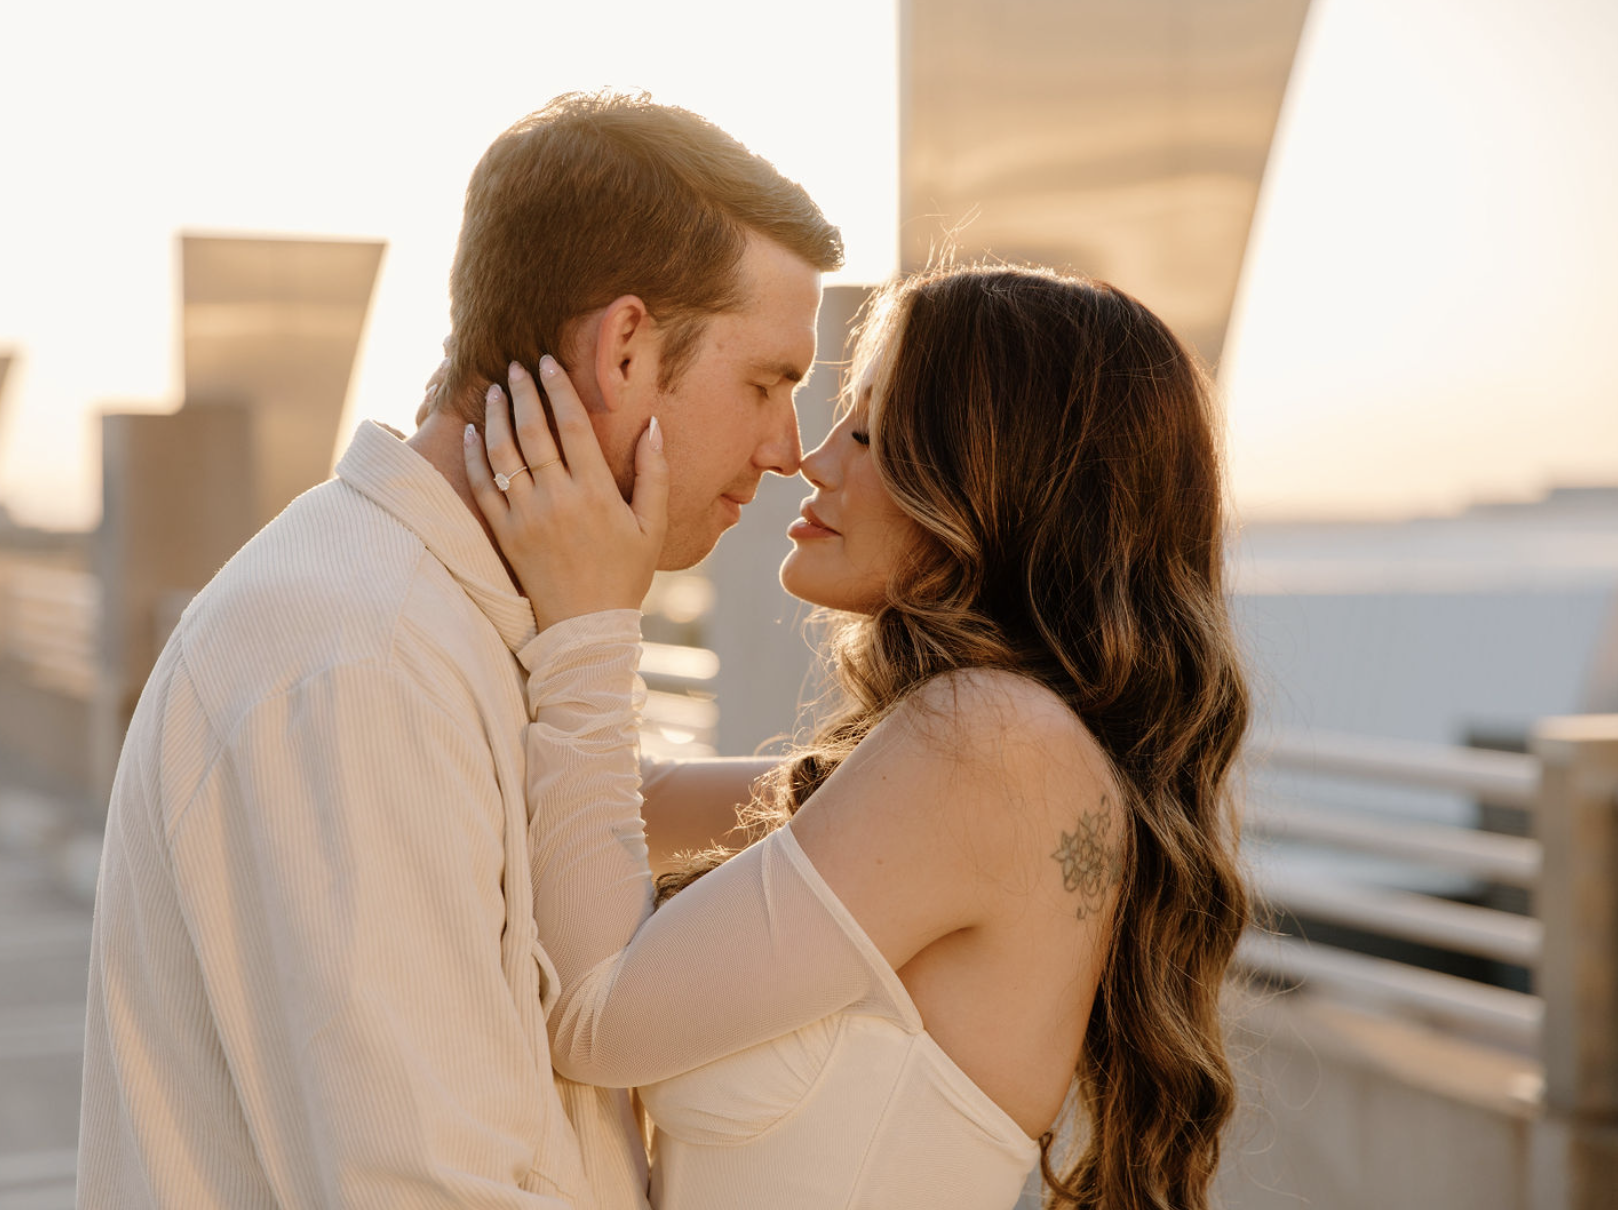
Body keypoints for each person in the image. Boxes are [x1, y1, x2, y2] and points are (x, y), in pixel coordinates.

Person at [76, 90, 842, 1208]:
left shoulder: (452, 620)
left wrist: (882, 797)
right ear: (626, 348)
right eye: (768, 381)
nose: (789, 447)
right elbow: (428, 1187)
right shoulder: (359, 659)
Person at [465, 262, 1253, 1209]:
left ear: (994, 480)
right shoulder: (991, 748)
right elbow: (628, 802)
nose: (814, 458)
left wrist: (591, 623)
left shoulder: (998, 746)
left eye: (873, 431)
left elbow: (596, 1019)